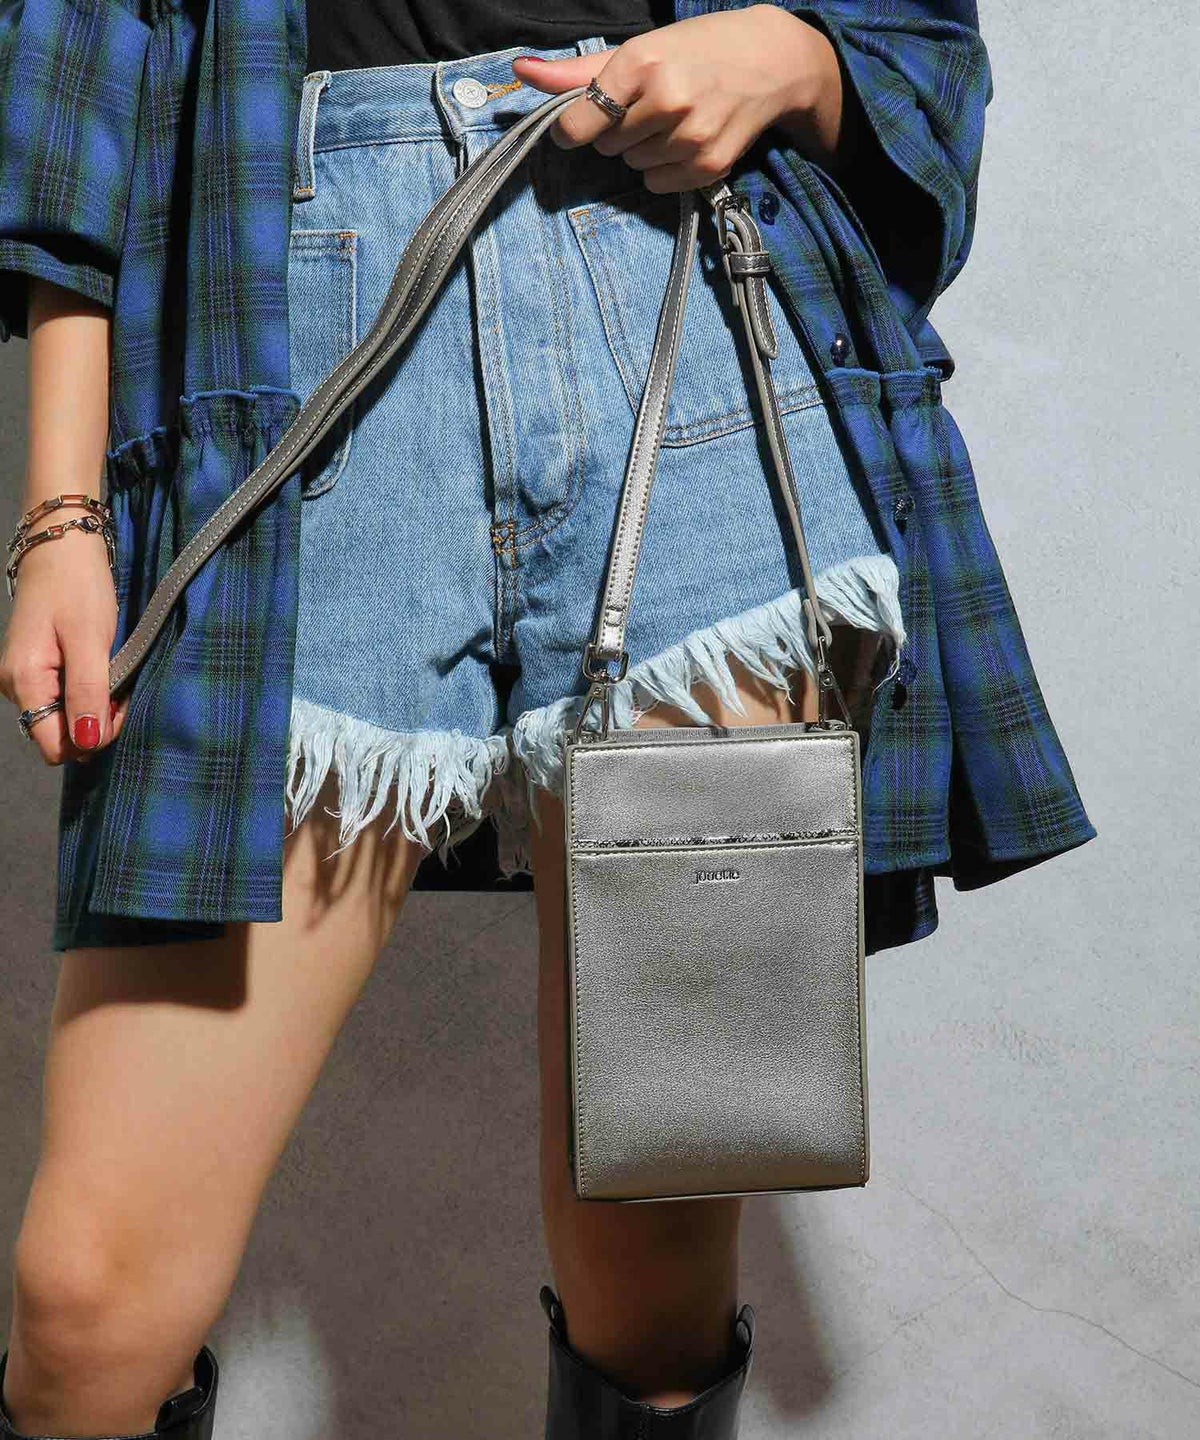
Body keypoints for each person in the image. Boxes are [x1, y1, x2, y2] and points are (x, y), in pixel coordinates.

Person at [0, 1, 1093, 1436]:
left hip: (681, 338)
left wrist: (790, 56)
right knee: (89, 1303)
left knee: (655, 1274)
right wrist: (64, 514)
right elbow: (81, 71)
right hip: (304, 347)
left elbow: (914, 31)